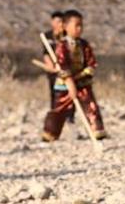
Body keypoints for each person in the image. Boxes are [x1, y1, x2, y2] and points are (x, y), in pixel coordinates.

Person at [42, 10, 106, 141]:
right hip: (65, 83)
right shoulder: (62, 46)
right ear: (65, 26)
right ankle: (50, 133)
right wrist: (70, 82)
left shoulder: (84, 45)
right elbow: (62, 64)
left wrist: (86, 72)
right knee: (59, 109)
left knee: (90, 105)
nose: (79, 29)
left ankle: (96, 130)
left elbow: (91, 61)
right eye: (76, 25)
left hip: (82, 81)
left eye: (81, 25)